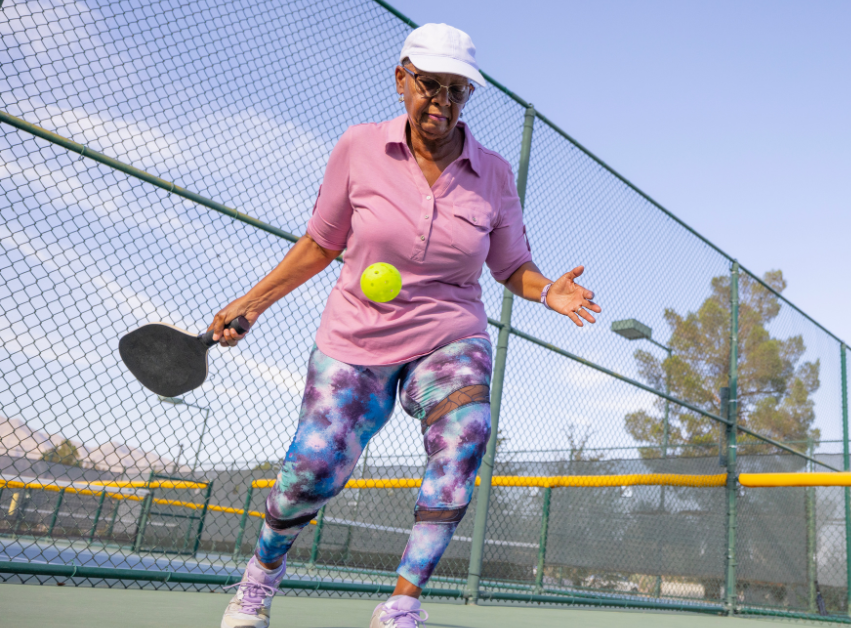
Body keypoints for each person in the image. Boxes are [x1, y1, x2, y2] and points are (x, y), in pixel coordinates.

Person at [214, 23, 600, 628]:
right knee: (312, 469)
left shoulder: (494, 174)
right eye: (430, 85)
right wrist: (253, 302)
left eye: (457, 91)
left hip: (451, 334)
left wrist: (548, 289)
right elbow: (320, 243)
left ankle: (401, 603)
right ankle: (258, 585)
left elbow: (512, 267)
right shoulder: (358, 147)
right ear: (401, 80)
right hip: (356, 336)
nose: (442, 103)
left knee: (466, 434)